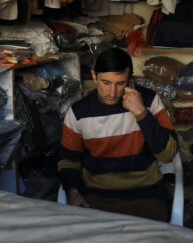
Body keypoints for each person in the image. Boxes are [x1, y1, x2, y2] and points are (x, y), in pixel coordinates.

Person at [57, 48, 178, 222]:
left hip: (146, 193)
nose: (112, 92)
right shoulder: (78, 112)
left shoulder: (149, 101)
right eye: (106, 82)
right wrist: (73, 192)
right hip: (96, 196)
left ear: (129, 80)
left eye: (120, 83)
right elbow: (68, 159)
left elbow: (167, 155)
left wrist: (141, 113)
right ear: (94, 76)